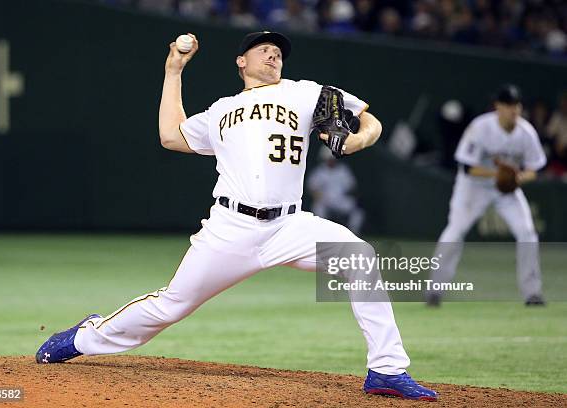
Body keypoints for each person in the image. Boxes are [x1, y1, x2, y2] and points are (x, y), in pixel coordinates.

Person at [36, 31, 437, 401]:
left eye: (278, 51)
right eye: (263, 49)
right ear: (241, 62)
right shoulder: (222, 110)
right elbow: (170, 136)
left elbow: (370, 119)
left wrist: (358, 139)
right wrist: (173, 71)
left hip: (289, 225)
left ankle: (386, 370)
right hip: (231, 228)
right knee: (170, 306)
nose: (273, 53)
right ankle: (85, 338)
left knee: (360, 257)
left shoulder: (305, 92)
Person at [427, 84, 547, 307]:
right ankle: (435, 289)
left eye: (517, 105)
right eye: (509, 105)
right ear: (498, 107)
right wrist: (498, 173)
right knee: (455, 230)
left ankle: (533, 293)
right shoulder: (481, 127)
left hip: (506, 189)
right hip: (473, 186)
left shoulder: (526, 132)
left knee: (527, 232)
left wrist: (518, 178)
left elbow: (534, 168)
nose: (514, 110)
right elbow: (466, 167)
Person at [308, 147, 365, 235]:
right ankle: (322, 233)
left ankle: (354, 233)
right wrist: (318, 196)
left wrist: (348, 194)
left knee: (357, 212)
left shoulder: (343, 170)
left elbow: (351, 187)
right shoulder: (320, 171)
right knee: (318, 208)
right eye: (329, 158)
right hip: (325, 200)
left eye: (333, 158)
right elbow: (312, 188)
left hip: (340, 199)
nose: (331, 160)